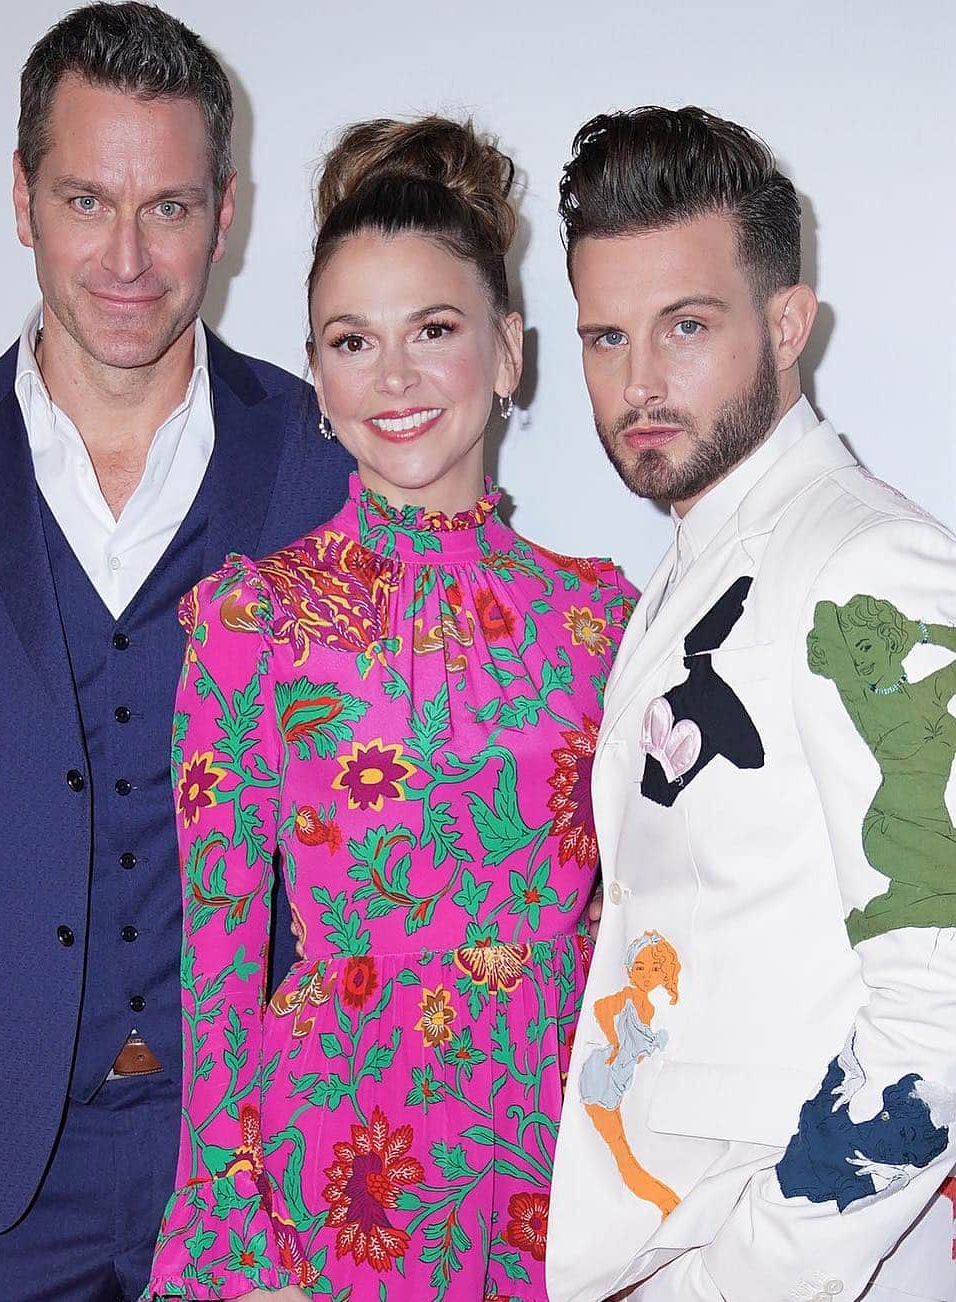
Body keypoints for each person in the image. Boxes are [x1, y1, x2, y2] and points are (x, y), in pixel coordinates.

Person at [0, 4, 350, 1298]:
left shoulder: (330, 462)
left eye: (171, 207)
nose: (130, 256)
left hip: (264, 1163)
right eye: (89, 200)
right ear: (24, 200)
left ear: (228, 210)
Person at [145, 116, 636, 1301]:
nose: (396, 378)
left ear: (510, 352)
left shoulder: (603, 621)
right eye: (353, 342)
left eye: (435, 330)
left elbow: (639, 937)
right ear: (317, 377)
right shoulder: (249, 623)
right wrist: (235, 1234)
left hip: (561, 1168)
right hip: (330, 1179)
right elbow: (214, 970)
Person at [546, 106, 956, 1302]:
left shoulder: (868, 568)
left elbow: (942, 1012)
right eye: (606, 338)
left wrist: (736, 1285)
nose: (639, 383)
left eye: (685, 327)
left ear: (789, 324)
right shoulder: (698, 565)